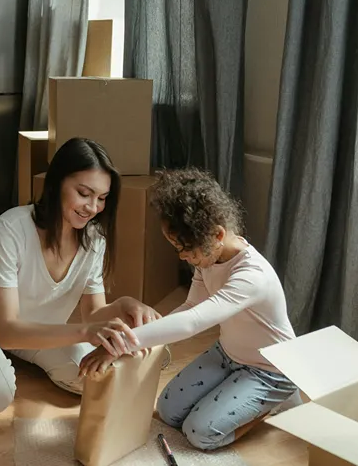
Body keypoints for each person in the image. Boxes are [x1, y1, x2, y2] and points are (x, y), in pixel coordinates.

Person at [0, 137, 160, 415]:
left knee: (94, 376)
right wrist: (86, 332)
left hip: (25, 325)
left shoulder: (93, 239)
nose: (93, 207)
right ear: (57, 183)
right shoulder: (10, 229)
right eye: (84, 193)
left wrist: (123, 305)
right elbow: (6, 331)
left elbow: (92, 315)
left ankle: (6, 353)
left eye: (102, 198)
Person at [79, 167, 299, 451]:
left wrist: (119, 346)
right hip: (228, 354)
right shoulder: (207, 261)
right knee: (169, 411)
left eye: (187, 248)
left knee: (201, 433)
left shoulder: (251, 276)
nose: (183, 256)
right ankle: (236, 390)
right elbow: (190, 307)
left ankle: (274, 401)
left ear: (217, 234)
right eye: (176, 248)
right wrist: (139, 340)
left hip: (270, 369)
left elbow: (192, 322)